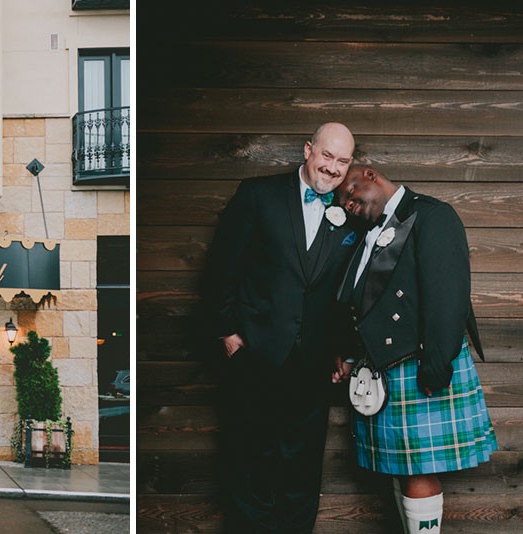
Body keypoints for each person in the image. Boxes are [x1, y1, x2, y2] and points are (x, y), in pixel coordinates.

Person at [204, 122, 358, 532]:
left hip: (313, 365)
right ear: (308, 150)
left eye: (343, 161)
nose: (332, 168)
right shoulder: (258, 195)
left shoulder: (349, 214)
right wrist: (229, 334)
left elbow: (344, 292)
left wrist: (342, 348)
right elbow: (222, 268)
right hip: (255, 355)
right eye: (327, 155)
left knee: (302, 468)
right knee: (249, 457)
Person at [334, 165, 497, 534]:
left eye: (349, 194)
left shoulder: (432, 215)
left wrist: (437, 366)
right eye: (342, 203)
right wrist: (348, 354)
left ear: (369, 174)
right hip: (381, 368)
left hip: (417, 364)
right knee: (401, 469)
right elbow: (363, 302)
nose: (347, 206)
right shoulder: (366, 232)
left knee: (416, 471)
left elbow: (448, 298)